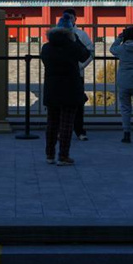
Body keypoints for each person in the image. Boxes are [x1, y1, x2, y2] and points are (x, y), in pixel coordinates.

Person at [41, 13, 91, 166]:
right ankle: (63, 156)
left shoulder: (46, 47)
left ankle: (49, 155)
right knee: (66, 124)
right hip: (70, 87)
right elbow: (85, 55)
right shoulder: (72, 46)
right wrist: (76, 40)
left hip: (52, 88)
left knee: (52, 123)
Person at [62, 8, 95, 141]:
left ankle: (80, 130)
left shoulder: (81, 34)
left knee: (78, 104)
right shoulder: (59, 34)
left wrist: (81, 66)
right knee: (61, 103)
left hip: (77, 74)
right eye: (66, 17)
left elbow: (90, 51)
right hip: (62, 74)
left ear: (76, 19)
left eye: (71, 17)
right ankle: (61, 131)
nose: (69, 20)